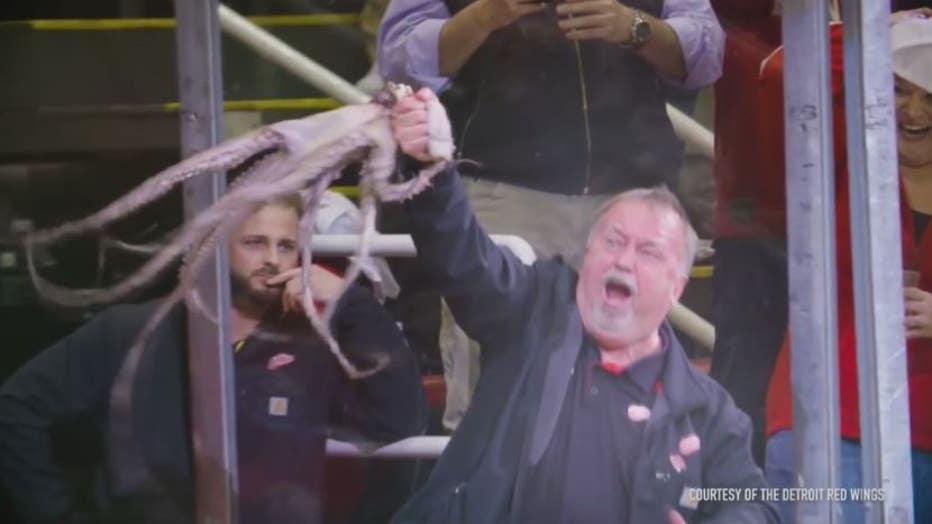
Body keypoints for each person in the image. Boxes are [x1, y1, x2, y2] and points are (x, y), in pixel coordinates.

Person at [387, 89, 778, 523]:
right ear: (587, 253)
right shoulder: (532, 310)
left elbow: (754, 508)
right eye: (613, 242)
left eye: (648, 252)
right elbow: (463, 259)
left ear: (677, 287)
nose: (624, 260)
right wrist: (431, 170)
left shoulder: (708, 412)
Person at [0, 194, 428, 524]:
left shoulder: (311, 345)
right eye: (255, 243)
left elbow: (397, 423)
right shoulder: (134, 329)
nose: (273, 259)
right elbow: (16, 407)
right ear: (215, 249)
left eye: (286, 246)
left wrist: (352, 305)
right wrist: (57, 516)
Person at [763, 12, 932, 524]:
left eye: (928, 94)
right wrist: (868, 27)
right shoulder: (838, 162)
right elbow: (783, 74)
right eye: (898, 88)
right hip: (834, 417)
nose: (912, 110)